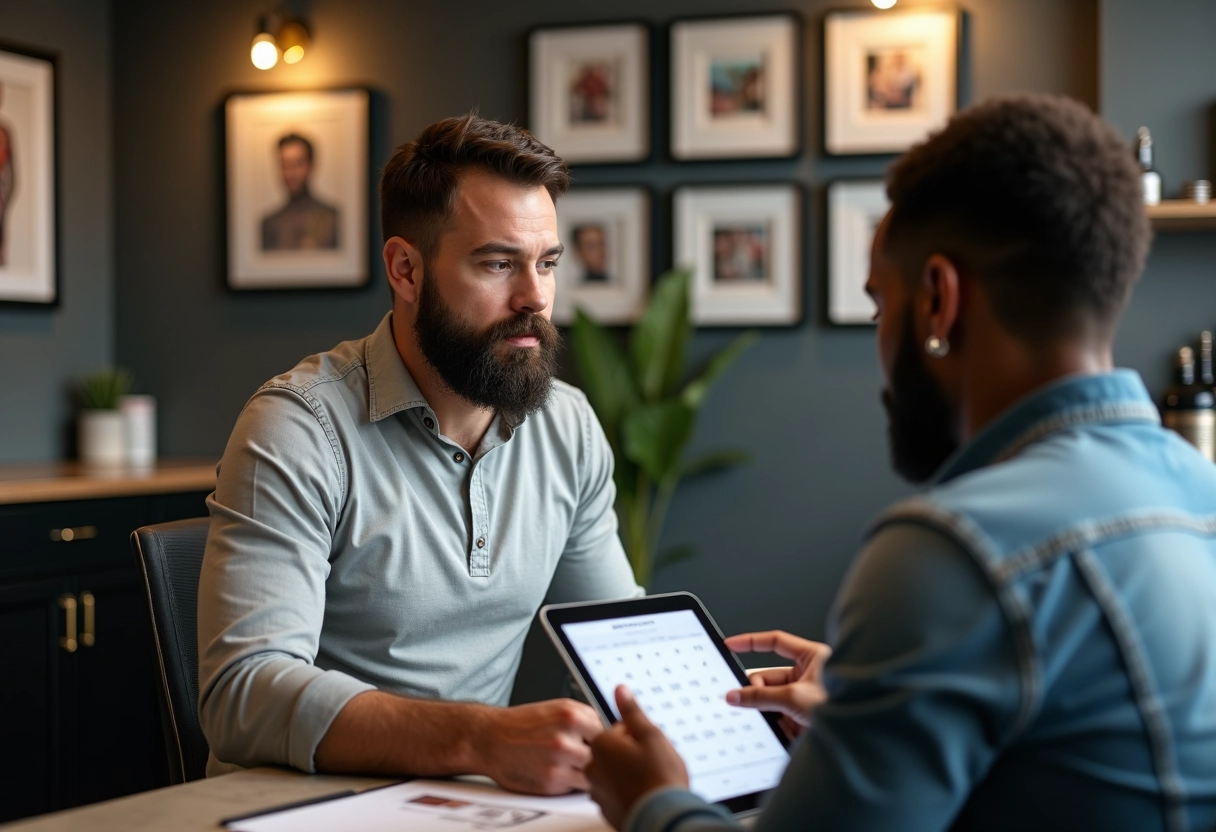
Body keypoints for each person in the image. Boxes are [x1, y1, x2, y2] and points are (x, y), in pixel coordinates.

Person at [586, 94, 1216, 830]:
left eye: (881, 306)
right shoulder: (1197, 489)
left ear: (940, 302)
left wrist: (653, 802)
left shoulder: (955, 550)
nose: (882, 353)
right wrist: (878, 711)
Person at [199, 114, 642, 793]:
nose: (535, 298)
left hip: (467, 802)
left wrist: (737, 700)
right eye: (498, 263)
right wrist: (478, 737)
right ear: (406, 269)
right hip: (303, 807)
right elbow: (244, 694)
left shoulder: (567, 426)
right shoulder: (300, 426)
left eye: (546, 263)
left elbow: (619, 650)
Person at [260, 133, 339, 250]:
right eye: (285, 164)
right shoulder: (269, 223)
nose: (291, 172)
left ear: (311, 166)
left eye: (298, 163)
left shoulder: (332, 218)